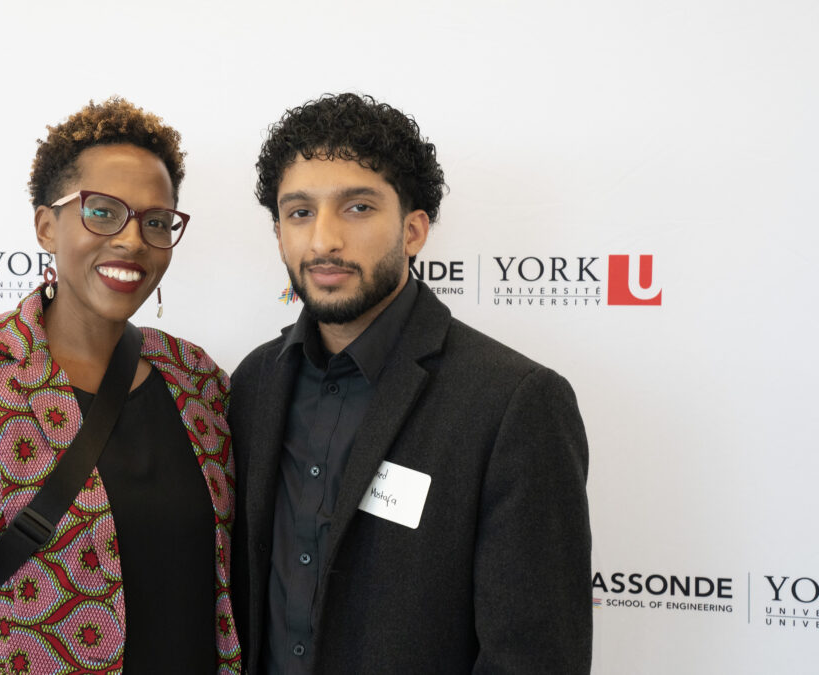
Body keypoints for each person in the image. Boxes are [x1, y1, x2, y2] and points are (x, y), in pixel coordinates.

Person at [0, 98, 240, 674]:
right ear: (46, 225)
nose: (132, 240)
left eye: (156, 221)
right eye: (102, 212)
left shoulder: (199, 381)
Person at [229, 93, 591, 674]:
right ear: (278, 233)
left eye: (357, 208)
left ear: (414, 230)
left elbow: (534, 656)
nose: (323, 240)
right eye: (300, 213)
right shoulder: (254, 383)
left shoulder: (513, 402)